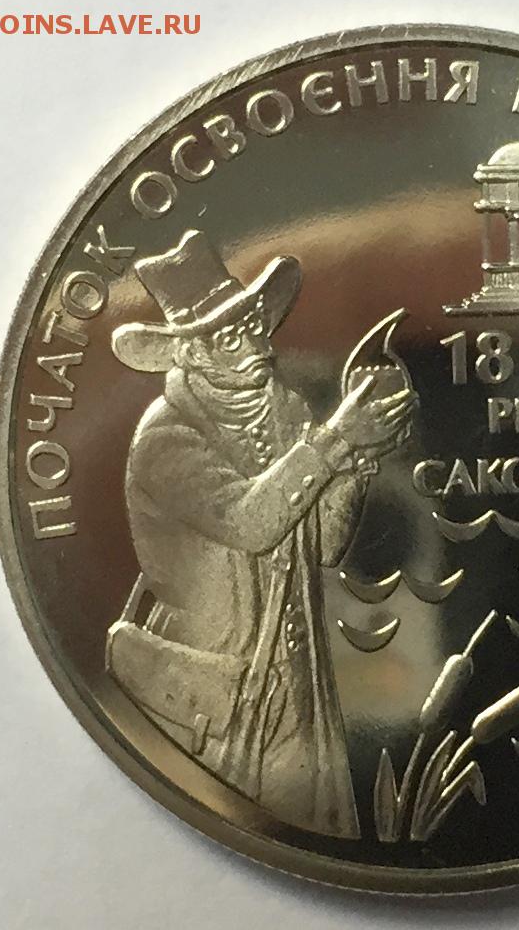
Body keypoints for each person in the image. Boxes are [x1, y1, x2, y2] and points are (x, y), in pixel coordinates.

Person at [106, 229, 415, 839]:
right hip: (216, 688)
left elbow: (322, 547)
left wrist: (358, 464)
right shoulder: (166, 440)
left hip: (298, 682)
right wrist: (335, 441)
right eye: (229, 336)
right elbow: (250, 525)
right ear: (189, 354)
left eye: (252, 324)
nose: (256, 345)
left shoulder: (287, 410)